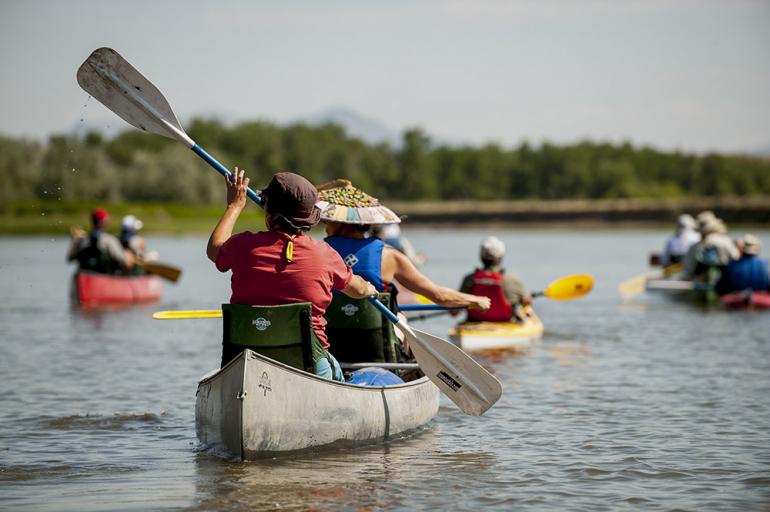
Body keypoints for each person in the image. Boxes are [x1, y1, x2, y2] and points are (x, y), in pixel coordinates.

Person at [206, 169, 378, 381]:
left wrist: (234, 206)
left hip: (247, 360)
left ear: (268, 210)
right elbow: (358, 290)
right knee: (337, 370)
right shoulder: (325, 254)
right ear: (309, 218)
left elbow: (214, 249)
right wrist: (370, 288)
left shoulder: (243, 245)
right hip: (309, 364)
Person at [316, 179, 490, 358]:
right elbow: (439, 296)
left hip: (331, 344)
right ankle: (406, 367)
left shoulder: (317, 253)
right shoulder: (390, 257)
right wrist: (474, 300)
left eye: (328, 220)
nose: (325, 224)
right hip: (375, 345)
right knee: (402, 320)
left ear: (342, 223)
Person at [457, 236, 531, 322]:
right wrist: (528, 298)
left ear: (481, 256)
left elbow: (454, 311)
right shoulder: (512, 279)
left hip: (474, 322)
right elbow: (526, 303)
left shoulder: (468, 279)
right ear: (501, 257)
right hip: (506, 324)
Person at [67, 208, 135, 274]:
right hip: (104, 276)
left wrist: (74, 240)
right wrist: (128, 256)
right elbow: (123, 260)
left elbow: (70, 258)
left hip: (86, 275)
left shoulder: (83, 240)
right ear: (104, 222)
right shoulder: (110, 240)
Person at [682, 214, 739, 279]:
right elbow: (736, 259)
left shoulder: (694, 247)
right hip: (725, 282)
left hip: (699, 284)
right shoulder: (726, 242)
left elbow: (687, 271)